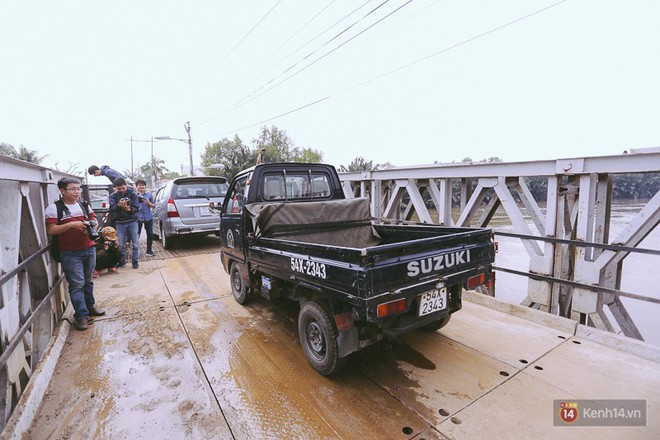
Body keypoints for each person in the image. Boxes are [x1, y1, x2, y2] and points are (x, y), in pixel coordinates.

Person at [45, 177, 105, 331]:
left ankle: (90, 307)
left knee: (88, 281)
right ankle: (81, 315)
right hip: (70, 253)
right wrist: (71, 224)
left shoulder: (83, 205)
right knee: (77, 284)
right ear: (62, 191)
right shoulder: (54, 208)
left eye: (78, 188)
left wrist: (90, 225)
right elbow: (51, 230)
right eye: (72, 189)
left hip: (89, 249)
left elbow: (94, 221)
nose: (77, 192)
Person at [109, 177, 140, 269]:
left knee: (135, 243)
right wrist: (119, 205)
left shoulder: (133, 194)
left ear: (126, 185)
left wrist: (128, 209)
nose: (121, 190)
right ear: (115, 188)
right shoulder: (113, 196)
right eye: (119, 189)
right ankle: (122, 262)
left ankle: (135, 262)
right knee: (121, 244)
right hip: (119, 222)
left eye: (123, 188)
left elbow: (136, 208)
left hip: (132, 221)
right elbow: (111, 209)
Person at [135, 179, 156, 257]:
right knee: (137, 235)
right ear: (136, 186)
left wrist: (149, 203)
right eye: (139, 185)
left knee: (150, 234)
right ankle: (137, 253)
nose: (141, 187)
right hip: (138, 218)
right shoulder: (134, 195)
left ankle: (149, 251)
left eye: (143, 185)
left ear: (145, 186)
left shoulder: (149, 195)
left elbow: (154, 206)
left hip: (148, 217)